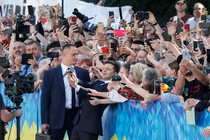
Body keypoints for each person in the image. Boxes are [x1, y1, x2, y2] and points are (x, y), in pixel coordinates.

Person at [41, 43, 90, 140]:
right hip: (57, 117)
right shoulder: (50, 74)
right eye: (73, 54)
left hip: (77, 117)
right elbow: (45, 98)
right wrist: (44, 120)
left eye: (77, 54)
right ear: (63, 55)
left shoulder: (83, 73)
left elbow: (87, 93)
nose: (76, 57)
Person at [68, 60, 120, 140]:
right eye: (104, 68)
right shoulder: (98, 82)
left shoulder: (112, 87)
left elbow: (92, 95)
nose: (104, 70)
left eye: (108, 69)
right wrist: (75, 80)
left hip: (90, 126)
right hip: (79, 122)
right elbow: (85, 84)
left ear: (115, 74)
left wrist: (75, 86)